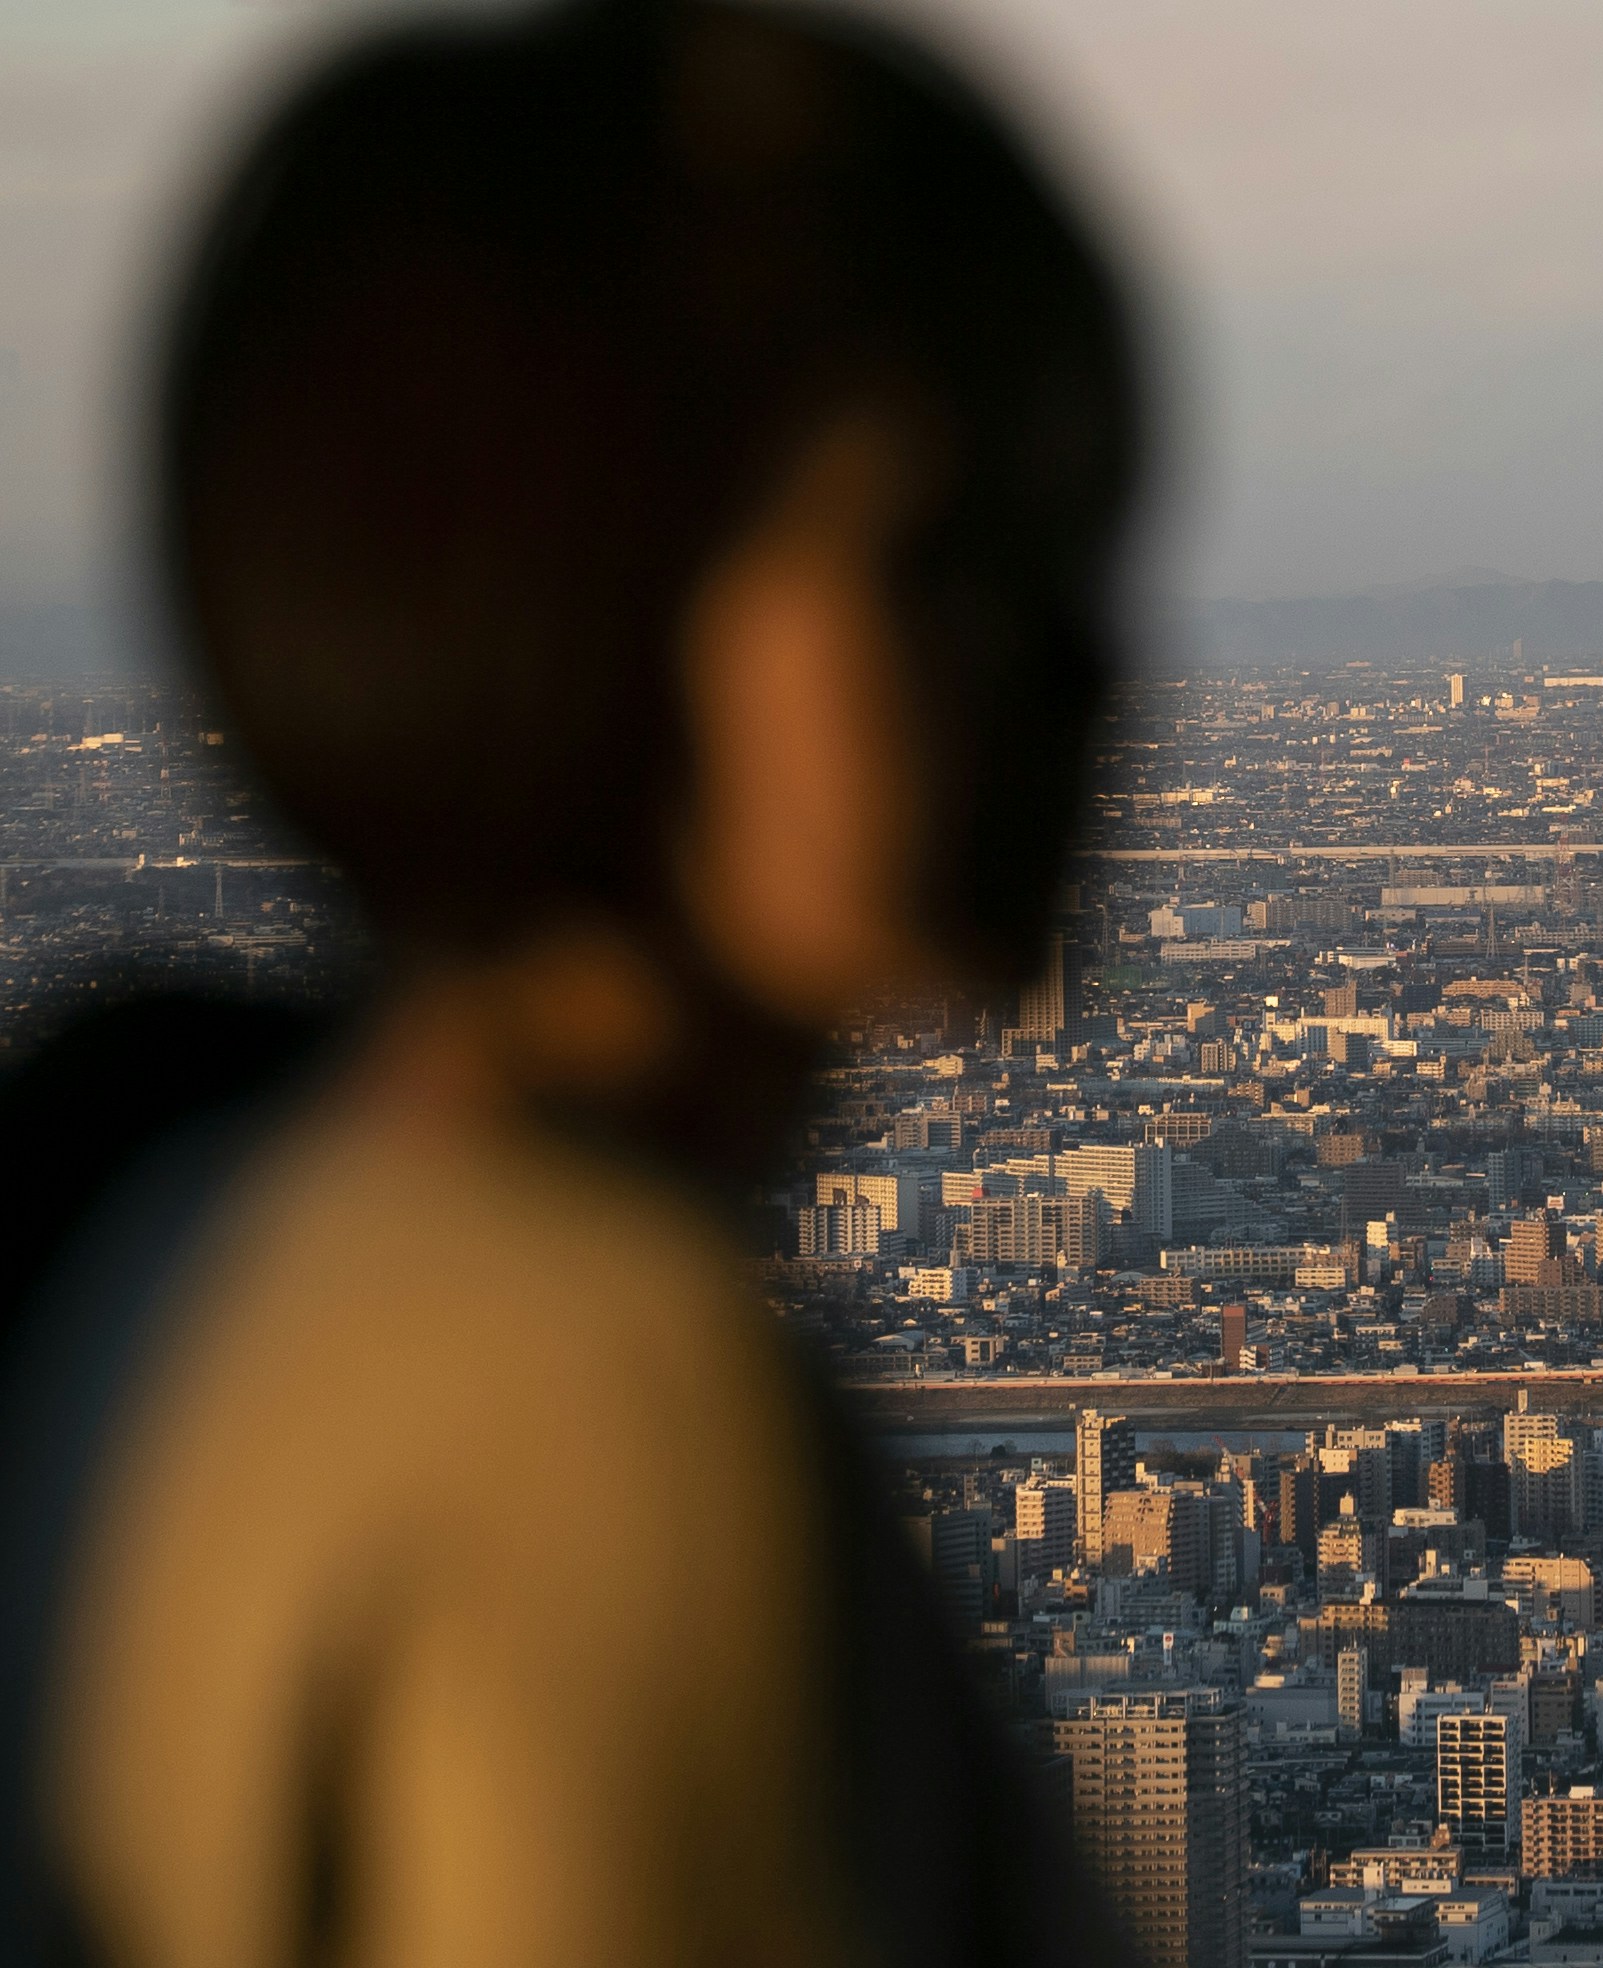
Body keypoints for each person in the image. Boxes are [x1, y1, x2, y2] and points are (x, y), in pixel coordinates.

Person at [0, 1, 1143, 1961]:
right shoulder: (600, 1377)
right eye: (937, 550)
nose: (1071, 668)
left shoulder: (164, 1201)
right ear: (580, 584)